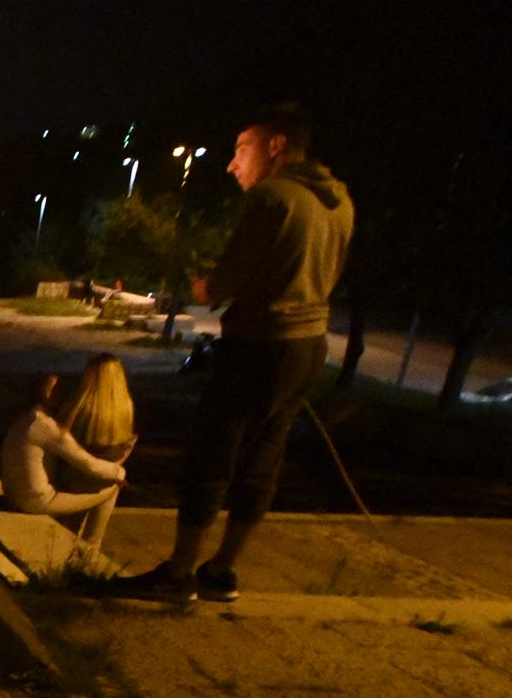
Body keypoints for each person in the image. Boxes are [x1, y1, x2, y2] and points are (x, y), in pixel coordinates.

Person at [115, 103, 352, 604]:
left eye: (241, 149)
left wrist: (204, 282)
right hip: (308, 347)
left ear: (277, 145)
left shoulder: (273, 198)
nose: (231, 163)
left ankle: (179, 573)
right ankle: (222, 571)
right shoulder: (338, 202)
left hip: (260, 345)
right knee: (263, 459)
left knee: (213, 457)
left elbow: (221, 286)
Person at [1, 360, 134, 566]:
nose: (64, 393)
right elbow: (87, 463)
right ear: (46, 395)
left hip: (14, 494)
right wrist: (119, 473)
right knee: (112, 487)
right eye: (57, 390)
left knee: (93, 482)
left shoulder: (29, 419)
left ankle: (76, 548)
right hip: (37, 501)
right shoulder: (45, 426)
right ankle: (90, 552)